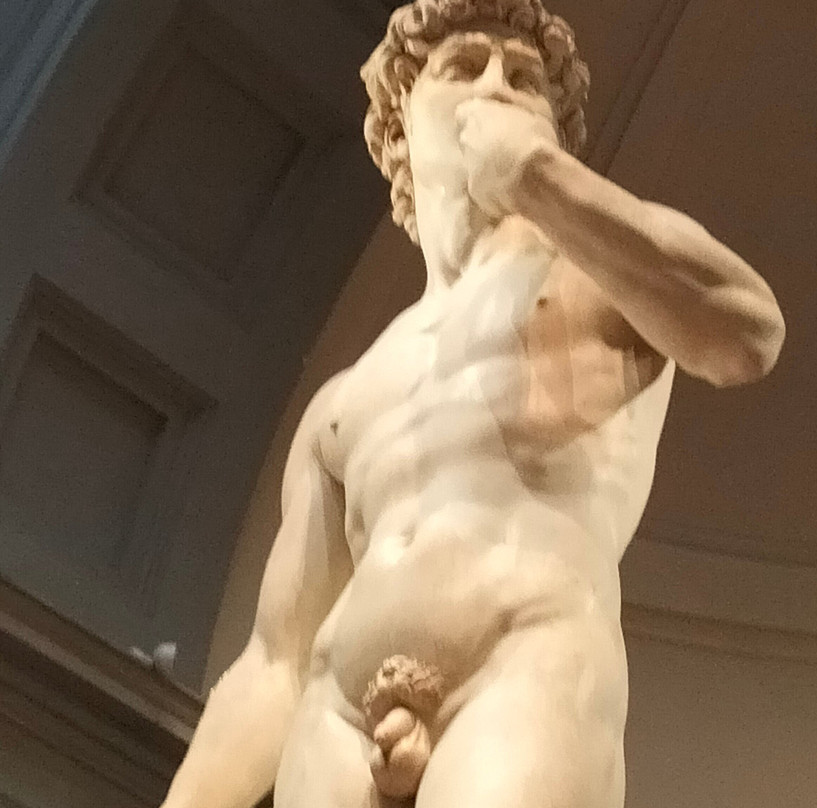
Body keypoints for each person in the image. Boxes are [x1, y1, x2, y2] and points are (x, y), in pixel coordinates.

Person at [161, 1, 785, 806]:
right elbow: (272, 665)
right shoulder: (345, 397)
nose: (496, 86)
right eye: (463, 67)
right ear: (401, 129)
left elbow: (746, 331)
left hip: (524, 664)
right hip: (336, 712)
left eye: (524, 81)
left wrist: (538, 179)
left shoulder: (605, 272)